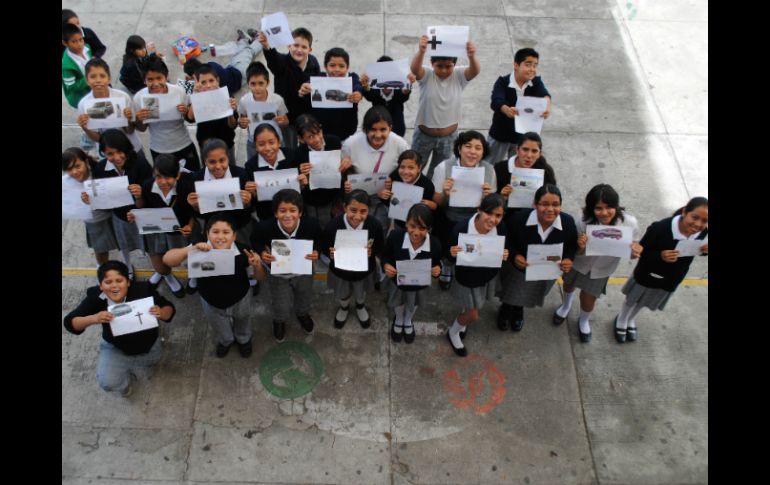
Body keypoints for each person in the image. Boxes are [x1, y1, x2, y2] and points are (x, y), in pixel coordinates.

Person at [63, 261, 175, 397]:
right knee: (108, 382)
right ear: (101, 286)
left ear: (128, 282)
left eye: (119, 280)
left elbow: (169, 308)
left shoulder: (143, 290)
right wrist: (94, 318)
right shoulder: (96, 298)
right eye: (108, 282)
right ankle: (124, 385)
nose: (114, 286)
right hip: (115, 347)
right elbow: (70, 323)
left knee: (154, 359)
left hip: (148, 344)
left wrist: (161, 313)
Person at [163, 213, 266, 358]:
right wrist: (190, 249)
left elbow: (259, 277)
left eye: (226, 232)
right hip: (210, 300)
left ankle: (244, 339)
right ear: (207, 234)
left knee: (243, 319)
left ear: (234, 236)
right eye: (215, 232)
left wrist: (257, 266)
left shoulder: (244, 252)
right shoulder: (199, 250)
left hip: (240, 297)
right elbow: (167, 260)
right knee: (218, 324)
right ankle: (226, 340)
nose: (220, 237)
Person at [554, 184, 642, 342]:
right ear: (591, 208)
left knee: (588, 299)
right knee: (568, 285)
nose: (604, 212)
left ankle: (583, 320)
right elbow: (574, 250)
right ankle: (565, 306)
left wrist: (635, 252)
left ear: (616, 206)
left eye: (609, 207)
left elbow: (632, 253)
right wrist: (580, 246)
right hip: (579, 263)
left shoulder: (629, 223)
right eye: (598, 208)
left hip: (602, 269)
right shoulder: (582, 219)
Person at [614, 197, 708, 343]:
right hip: (647, 273)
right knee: (632, 299)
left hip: (672, 277)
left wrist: (705, 251)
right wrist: (660, 256)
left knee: (645, 301)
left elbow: (697, 251)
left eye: (704, 221)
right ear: (684, 212)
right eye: (695, 217)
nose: (698, 224)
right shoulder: (660, 228)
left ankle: (631, 319)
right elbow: (642, 251)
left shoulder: (704, 233)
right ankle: (621, 318)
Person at [498, 184, 577, 332]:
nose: (550, 209)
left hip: (544, 271)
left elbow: (571, 245)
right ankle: (506, 308)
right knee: (510, 291)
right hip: (518, 269)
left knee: (527, 294)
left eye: (555, 205)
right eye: (544, 204)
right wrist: (515, 255)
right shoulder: (519, 219)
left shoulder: (567, 222)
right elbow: (505, 239)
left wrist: (568, 259)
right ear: (535, 204)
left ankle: (518, 310)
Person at [251, 189, 322, 342]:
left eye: (293, 210)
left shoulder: (312, 224)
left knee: (304, 295)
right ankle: (279, 320)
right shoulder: (264, 227)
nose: (288, 215)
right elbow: (255, 240)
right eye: (282, 211)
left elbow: (319, 239)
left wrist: (317, 251)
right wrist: (261, 253)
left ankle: (302, 314)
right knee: (280, 302)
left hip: (303, 271)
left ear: (300, 212)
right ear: (276, 213)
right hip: (278, 273)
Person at [445, 194, 509, 357]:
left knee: (469, 308)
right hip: (466, 278)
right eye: (489, 213)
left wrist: (505, 254)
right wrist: (452, 253)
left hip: (486, 276)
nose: (493, 219)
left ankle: (462, 320)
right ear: (479, 210)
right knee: (473, 314)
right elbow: (449, 257)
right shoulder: (461, 228)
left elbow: (504, 248)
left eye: (498, 215)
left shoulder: (501, 229)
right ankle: (453, 332)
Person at [431, 131, 496, 289]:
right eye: (468, 146)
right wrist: (445, 193)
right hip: (449, 215)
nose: (473, 151)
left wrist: (487, 197)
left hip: (476, 218)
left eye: (478, 148)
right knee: (449, 248)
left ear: (483, 152)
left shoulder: (489, 170)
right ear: (459, 149)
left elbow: (492, 206)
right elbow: (436, 202)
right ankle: (446, 267)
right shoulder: (444, 167)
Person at [410, 33, 480, 179]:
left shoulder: (459, 75)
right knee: (413, 170)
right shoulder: (427, 75)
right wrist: (421, 51)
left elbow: (475, 71)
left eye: (448, 66)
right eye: (439, 66)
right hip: (424, 135)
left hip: (449, 138)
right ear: (431, 63)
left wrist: (472, 56)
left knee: (438, 174)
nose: (443, 70)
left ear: (454, 64)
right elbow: (415, 69)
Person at [128, 154, 196, 299]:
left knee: (190, 260)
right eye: (158, 176)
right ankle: (168, 277)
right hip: (157, 232)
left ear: (177, 175)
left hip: (179, 232)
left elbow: (193, 213)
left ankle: (195, 277)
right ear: (153, 174)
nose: (163, 182)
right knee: (159, 265)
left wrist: (189, 226)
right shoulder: (147, 186)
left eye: (168, 177)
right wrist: (136, 206)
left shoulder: (187, 186)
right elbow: (141, 207)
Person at [91, 129, 154, 282]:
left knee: (149, 244)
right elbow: (101, 198)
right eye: (110, 154)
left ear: (126, 149)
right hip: (119, 215)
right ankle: (126, 266)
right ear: (103, 153)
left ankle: (158, 269)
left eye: (120, 152)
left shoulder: (140, 163)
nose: (116, 157)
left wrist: (140, 195)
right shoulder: (100, 169)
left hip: (141, 214)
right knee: (123, 244)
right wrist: (91, 198)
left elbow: (151, 194)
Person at [322, 190, 384, 329]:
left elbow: (380, 246)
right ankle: (344, 307)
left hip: (364, 270)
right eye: (353, 210)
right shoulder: (333, 226)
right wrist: (329, 252)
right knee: (343, 292)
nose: (357, 216)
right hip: (340, 271)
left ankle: (360, 306)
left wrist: (372, 251)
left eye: (363, 211)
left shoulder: (375, 226)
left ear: (369, 210)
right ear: (345, 207)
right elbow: (324, 246)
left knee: (361, 291)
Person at [341, 106, 410, 232]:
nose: (378, 135)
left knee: (380, 229)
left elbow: (409, 172)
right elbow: (344, 173)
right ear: (365, 129)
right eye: (373, 130)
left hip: (384, 199)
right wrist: (344, 172)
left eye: (383, 129)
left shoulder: (401, 145)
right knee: (357, 229)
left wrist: (393, 183)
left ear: (390, 128)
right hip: (359, 198)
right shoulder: (350, 144)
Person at [381, 204, 442, 343]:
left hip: (418, 286)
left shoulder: (435, 245)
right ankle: (399, 318)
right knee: (398, 302)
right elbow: (386, 255)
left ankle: (408, 319)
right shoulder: (395, 237)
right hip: (398, 283)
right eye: (412, 226)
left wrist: (437, 271)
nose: (416, 232)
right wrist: (386, 265)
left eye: (422, 228)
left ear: (429, 229)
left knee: (413, 304)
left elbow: (437, 264)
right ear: (406, 224)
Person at [133, 54, 202, 171]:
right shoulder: (139, 98)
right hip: (159, 149)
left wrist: (185, 112)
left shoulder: (178, 92)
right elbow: (142, 129)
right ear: (144, 80)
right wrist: (139, 119)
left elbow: (190, 118)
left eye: (159, 78)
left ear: (166, 76)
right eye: (150, 79)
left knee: (193, 178)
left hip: (184, 144)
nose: (155, 83)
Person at [77, 58, 149, 165]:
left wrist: (129, 120)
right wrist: (86, 129)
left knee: (141, 173)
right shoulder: (84, 104)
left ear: (109, 78)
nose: (98, 80)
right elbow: (98, 138)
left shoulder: (123, 97)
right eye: (93, 76)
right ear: (87, 80)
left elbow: (130, 131)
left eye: (102, 76)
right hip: (108, 154)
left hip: (131, 147)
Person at [258, 27, 321, 148]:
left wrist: (310, 84)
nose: (299, 50)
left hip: (306, 116)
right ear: (289, 46)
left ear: (310, 49)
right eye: (295, 45)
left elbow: (317, 80)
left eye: (304, 47)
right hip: (287, 118)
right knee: (289, 146)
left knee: (306, 146)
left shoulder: (313, 63)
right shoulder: (282, 63)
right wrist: (267, 46)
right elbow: (273, 59)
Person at [486, 48, 551, 163]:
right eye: (528, 65)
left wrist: (547, 106)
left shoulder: (536, 82)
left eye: (535, 65)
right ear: (516, 65)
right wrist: (506, 109)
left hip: (522, 138)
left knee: (517, 168)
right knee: (490, 164)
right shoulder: (503, 82)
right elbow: (496, 101)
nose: (532, 69)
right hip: (500, 134)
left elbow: (545, 95)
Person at [62, 148, 118, 267]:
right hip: (94, 221)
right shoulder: (66, 183)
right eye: (69, 169)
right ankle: (102, 269)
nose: (75, 172)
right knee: (101, 250)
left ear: (86, 162)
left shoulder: (100, 172)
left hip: (114, 216)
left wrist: (95, 201)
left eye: (77, 166)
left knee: (123, 245)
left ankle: (127, 266)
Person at [244, 124, 306, 221]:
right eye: (261, 144)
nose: (267, 148)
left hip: (293, 213)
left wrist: (302, 183)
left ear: (279, 142)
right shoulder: (251, 165)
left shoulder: (291, 155)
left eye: (271, 142)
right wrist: (252, 192)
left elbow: (300, 188)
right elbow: (253, 201)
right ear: (255, 146)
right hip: (267, 215)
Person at [300, 47, 363, 142]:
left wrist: (358, 94)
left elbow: (358, 87)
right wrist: (304, 88)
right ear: (325, 66)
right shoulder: (318, 78)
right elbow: (308, 85)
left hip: (347, 132)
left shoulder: (353, 78)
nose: (337, 69)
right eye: (332, 65)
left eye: (341, 66)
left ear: (347, 67)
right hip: (322, 134)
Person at [495, 132, 556, 227]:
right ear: (517, 149)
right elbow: (491, 202)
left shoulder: (546, 172)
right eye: (525, 149)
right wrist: (502, 197)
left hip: (536, 218)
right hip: (506, 219)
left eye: (534, 151)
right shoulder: (500, 168)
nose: (529, 155)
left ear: (539, 154)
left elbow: (553, 198)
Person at [294, 114, 343, 228]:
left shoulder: (334, 142)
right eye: (310, 137)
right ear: (301, 139)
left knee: (334, 226)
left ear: (321, 129)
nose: (316, 139)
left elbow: (343, 167)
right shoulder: (298, 154)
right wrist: (301, 174)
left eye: (318, 133)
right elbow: (299, 185)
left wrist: (344, 163)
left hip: (333, 195)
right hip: (313, 199)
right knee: (317, 227)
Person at [184, 63, 239, 165]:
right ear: (198, 83)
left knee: (231, 170)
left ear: (217, 80)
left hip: (226, 143)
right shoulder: (197, 97)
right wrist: (195, 96)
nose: (208, 85)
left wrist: (231, 112)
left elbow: (233, 125)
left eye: (211, 81)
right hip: (206, 145)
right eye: (203, 82)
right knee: (209, 172)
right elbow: (190, 118)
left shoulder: (227, 95)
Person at [182, 29, 263, 97]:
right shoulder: (210, 66)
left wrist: (193, 80)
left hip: (236, 72)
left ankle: (249, 40)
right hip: (239, 72)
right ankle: (257, 39)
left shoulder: (204, 81)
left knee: (242, 54)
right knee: (247, 52)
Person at [237, 61, 289, 160]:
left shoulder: (277, 100)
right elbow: (242, 122)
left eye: (261, 83)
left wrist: (282, 121)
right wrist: (242, 123)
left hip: (275, 141)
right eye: (253, 84)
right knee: (254, 169)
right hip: (253, 142)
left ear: (268, 83)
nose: (257, 88)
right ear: (248, 84)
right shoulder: (244, 101)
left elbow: (286, 122)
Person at [379, 150, 437, 230]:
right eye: (402, 167)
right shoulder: (394, 177)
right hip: (399, 223)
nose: (406, 172)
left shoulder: (427, 185)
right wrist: (383, 195)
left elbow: (432, 211)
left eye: (411, 168)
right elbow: (391, 203)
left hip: (417, 226)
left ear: (419, 168)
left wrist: (433, 206)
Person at [360, 55, 415, 137]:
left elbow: (404, 93)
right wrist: (364, 84)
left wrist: (408, 83)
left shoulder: (399, 89)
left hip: (397, 130)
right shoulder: (374, 90)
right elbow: (368, 94)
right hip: (378, 132)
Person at [62, 22, 92, 110]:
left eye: (81, 39)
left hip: (91, 90)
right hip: (80, 97)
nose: (79, 44)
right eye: (74, 41)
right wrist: (89, 77)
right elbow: (71, 87)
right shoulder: (66, 66)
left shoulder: (87, 48)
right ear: (65, 43)